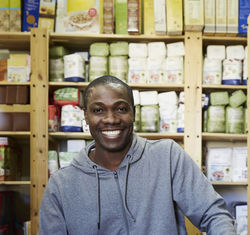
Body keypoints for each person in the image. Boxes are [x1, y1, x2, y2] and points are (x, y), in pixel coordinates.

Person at [39, 75, 236, 234]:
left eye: (121, 109)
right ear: (86, 117)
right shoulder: (61, 185)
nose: (111, 119)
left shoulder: (166, 156)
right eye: (98, 110)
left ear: (133, 113)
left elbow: (213, 214)